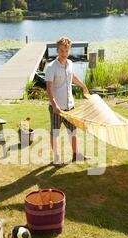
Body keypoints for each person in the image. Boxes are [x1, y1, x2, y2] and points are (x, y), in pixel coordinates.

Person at [45, 36, 90, 165]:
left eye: (66, 51)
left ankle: (76, 155)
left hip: (70, 106)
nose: (64, 53)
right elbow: (49, 88)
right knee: (55, 133)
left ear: (69, 50)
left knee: (73, 132)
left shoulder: (70, 63)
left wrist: (83, 86)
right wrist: (54, 105)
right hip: (56, 108)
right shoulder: (51, 67)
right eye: (61, 51)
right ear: (57, 51)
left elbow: (73, 77)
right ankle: (56, 158)